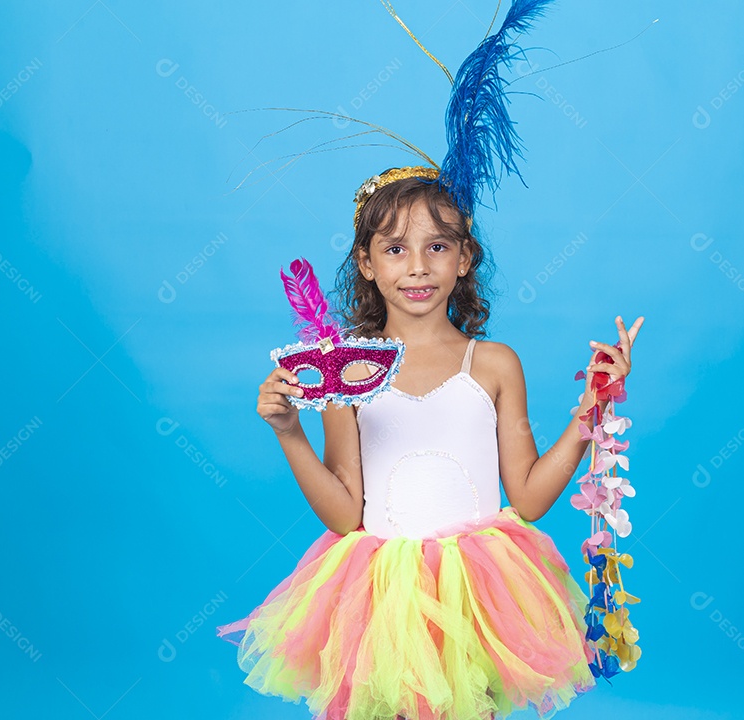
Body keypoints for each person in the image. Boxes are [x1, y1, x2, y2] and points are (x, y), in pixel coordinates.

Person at [216, 165, 644, 720]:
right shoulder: (344, 373)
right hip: (382, 595)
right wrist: (289, 432)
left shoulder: (493, 364)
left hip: (478, 590)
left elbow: (531, 498)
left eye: (437, 246)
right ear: (366, 264)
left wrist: (594, 407)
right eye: (395, 249)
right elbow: (346, 515)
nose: (417, 267)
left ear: (464, 257)